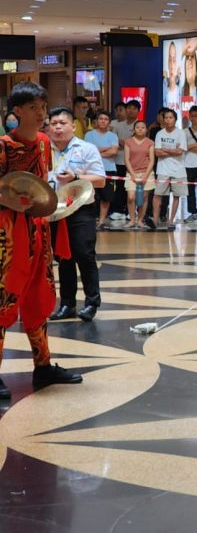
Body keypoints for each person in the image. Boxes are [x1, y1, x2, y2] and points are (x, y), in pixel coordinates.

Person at [0, 82, 83, 401]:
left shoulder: (46, 143)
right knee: (5, 299)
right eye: (33, 107)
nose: (41, 113)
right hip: (8, 233)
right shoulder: (4, 146)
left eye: (43, 107)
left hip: (38, 230)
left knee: (39, 295)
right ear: (16, 111)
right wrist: (8, 202)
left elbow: (43, 186)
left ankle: (43, 364)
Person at [47, 107, 107, 323]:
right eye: (53, 123)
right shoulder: (43, 149)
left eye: (62, 123)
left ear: (73, 126)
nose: (57, 127)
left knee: (84, 254)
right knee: (63, 257)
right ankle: (67, 304)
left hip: (81, 209)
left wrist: (76, 177)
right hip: (54, 211)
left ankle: (92, 302)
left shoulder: (86, 149)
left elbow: (100, 179)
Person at [152, 108, 188, 229]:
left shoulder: (181, 133)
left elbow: (179, 152)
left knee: (176, 195)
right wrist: (172, 150)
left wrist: (165, 149)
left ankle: (171, 221)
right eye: (166, 117)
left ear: (175, 119)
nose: (168, 120)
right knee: (157, 194)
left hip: (178, 169)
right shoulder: (159, 133)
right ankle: (155, 220)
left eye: (170, 117)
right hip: (162, 169)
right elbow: (157, 152)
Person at [84, 110, 119, 228]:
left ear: (109, 122)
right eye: (101, 119)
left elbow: (114, 152)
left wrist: (97, 151)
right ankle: (92, 220)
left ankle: (102, 221)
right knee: (92, 196)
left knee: (106, 197)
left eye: (106, 119)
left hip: (108, 169)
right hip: (91, 170)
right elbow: (88, 152)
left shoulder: (113, 136)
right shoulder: (89, 135)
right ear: (96, 121)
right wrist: (106, 149)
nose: (103, 121)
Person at [112, 100, 141, 220]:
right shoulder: (118, 125)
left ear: (138, 111)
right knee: (120, 187)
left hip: (134, 162)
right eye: (129, 108)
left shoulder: (139, 125)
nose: (131, 110)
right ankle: (119, 211)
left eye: (134, 108)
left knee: (134, 188)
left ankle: (133, 211)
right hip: (119, 160)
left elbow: (137, 143)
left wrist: (126, 143)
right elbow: (114, 141)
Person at [125, 120, 156, 229]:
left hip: (146, 173)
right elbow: (127, 160)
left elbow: (152, 160)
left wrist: (146, 176)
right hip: (131, 173)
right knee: (131, 197)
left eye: (143, 127)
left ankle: (140, 220)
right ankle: (132, 220)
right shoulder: (128, 142)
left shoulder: (150, 142)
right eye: (137, 127)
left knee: (143, 197)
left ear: (146, 130)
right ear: (134, 129)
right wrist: (132, 174)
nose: (140, 129)